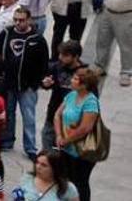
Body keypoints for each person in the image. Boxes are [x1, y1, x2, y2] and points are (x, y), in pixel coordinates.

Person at [0, 6, 48, 161]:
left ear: (29, 20)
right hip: (8, 83)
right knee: (8, 114)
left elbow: (43, 63)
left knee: (29, 116)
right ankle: (7, 140)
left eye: (21, 20)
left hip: (27, 85)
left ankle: (30, 147)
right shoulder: (6, 33)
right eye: (15, 20)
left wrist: (36, 83)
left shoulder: (37, 38)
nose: (18, 23)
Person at [54, 67, 100, 201]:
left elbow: (85, 128)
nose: (71, 80)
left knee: (80, 181)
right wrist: (58, 136)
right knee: (66, 179)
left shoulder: (91, 102)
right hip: (66, 145)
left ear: (84, 84)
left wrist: (66, 139)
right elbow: (58, 115)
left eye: (75, 79)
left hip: (83, 150)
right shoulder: (71, 95)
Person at [93, 0, 132, 87]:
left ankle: (126, 72)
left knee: (126, 45)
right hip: (107, 12)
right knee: (102, 41)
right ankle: (100, 66)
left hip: (125, 15)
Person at [15, 149, 80, 201]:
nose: (38, 167)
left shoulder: (68, 188)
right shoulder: (27, 178)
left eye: (44, 165)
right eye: (37, 162)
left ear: (55, 168)